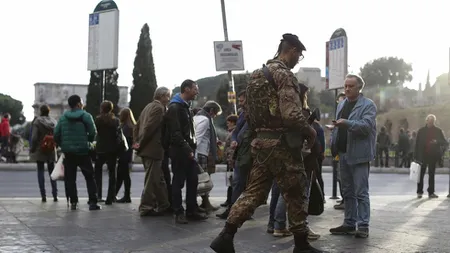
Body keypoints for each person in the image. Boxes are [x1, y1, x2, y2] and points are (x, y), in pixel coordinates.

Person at [210, 33, 322, 253]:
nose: (297, 60)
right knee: (296, 190)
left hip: (262, 144)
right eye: (298, 56)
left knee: (253, 192)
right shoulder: (284, 75)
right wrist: (308, 129)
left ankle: (225, 236)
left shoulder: (256, 76)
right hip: (283, 146)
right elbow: (290, 113)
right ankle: (301, 244)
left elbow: (248, 113)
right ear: (291, 51)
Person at [329, 74, 377, 239]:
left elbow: (366, 127)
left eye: (351, 86)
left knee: (361, 192)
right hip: (343, 154)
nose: (347, 89)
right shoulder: (341, 104)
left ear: (359, 88)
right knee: (347, 191)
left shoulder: (368, 105)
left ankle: (363, 225)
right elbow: (337, 126)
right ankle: (349, 223)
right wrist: (333, 143)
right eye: (346, 86)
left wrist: (346, 123)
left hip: (359, 155)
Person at [165, 80, 208, 224]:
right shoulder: (175, 108)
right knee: (178, 182)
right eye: (195, 89)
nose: (197, 92)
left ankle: (192, 209)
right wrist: (188, 149)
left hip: (188, 151)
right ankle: (178, 212)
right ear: (187, 89)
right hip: (180, 152)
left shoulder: (186, 107)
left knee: (193, 180)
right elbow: (175, 133)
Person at [54, 95, 101, 211]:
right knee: (89, 177)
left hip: (69, 152)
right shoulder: (86, 116)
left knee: (70, 179)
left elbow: (56, 134)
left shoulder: (63, 118)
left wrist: (63, 144)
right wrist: (88, 142)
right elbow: (93, 132)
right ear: (79, 104)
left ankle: (73, 202)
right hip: (83, 152)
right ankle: (93, 202)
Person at [134, 87, 171, 216]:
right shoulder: (159, 108)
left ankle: (164, 204)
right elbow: (149, 128)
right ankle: (146, 207)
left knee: (158, 179)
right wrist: (140, 144)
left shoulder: (147, 107)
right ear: (161, 96)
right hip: (153, 149)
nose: (169, 99)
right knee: (152, 180)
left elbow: (137, 126)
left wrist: (137, 142)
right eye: (167, 96)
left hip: (147, 149)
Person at [194, 101, 222, 212]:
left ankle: (202, 203)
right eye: (215, 114)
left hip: (200, 152)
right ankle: (204, 203)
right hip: (200, 153)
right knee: (203, 180)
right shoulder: (205, 120)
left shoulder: (198, 117)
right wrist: (194, 155)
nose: (214, 116)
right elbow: (198, 138)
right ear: (211, 111)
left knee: (199, 180)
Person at [30, 105, 58, 203]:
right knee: (52, 172)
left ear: (40, 111)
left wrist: (33, 148)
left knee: (40, 171)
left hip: (40, 149)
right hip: (51, 149)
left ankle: (43, 196)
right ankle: (55, 195)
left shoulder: (37, 122)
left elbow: (34, 137)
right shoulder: (54, 122)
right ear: (49, 111)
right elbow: (58, 136)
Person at [415, 114, 447, 198]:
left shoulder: (438, 131)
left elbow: (444, 142)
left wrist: (437, 141)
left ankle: (431, 192)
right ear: (426, 121)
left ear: (434, 121)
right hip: (423, 155)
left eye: (432, 120)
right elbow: (417, 144)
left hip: (433, 156)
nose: (430, 122)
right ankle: (419, 191)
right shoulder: (421, 131)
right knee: (420, 175)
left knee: (431, 174)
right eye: (429, 120)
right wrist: (416, 156)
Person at [94, 101, 120, 205]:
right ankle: (110, 198)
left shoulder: (98, 120)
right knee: (112, 174)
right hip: (112, 149)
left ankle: (97, 195)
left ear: (101, 108)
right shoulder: (115, 121)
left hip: (100, 149)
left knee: (97, 173)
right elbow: (117, 134)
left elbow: (95, 133)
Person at [116, 107, 136, 203]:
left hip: (124, 154)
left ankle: (126, 196)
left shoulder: (125, 127)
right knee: (122, 175)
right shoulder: (132, 126)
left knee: (124, 175)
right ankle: (115, 194)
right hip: (128, 154)